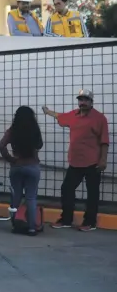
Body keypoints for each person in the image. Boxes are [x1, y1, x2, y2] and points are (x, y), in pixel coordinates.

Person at [42, 89, 109, 231]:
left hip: (93, 162)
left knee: (92, 193)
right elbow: (60, 116)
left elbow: (104, 141)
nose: (82, 102)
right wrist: (48, 112)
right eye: (80, 100)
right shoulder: (74, 115)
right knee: (66, 189)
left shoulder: (99, 118)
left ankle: (90, 222)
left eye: (85, 100)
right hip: (75, 162)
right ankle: (66, 219)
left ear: (91, 102)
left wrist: (103, 160)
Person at [0, 106, 43, 236]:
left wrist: (10, 158)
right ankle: (31, 228)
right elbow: (39, 145)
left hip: (17, 166)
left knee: (16, 196)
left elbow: (1, 145)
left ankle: (15, 225)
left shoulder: (13, 130)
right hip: (32, 166)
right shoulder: (34, 130)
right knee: (31, 197)